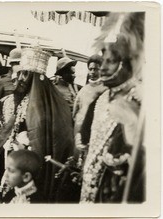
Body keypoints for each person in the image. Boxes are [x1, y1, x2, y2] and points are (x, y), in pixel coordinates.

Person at [0, 47, 75, 203]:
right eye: (20, 73)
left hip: (33, 169)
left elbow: (47, 141)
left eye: (25, 74)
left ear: (36, 78)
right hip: (17, 165)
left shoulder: (47, 105)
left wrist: (25, 147)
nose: (20, 78)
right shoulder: (22, 99)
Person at [80, 12, 145, 203]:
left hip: (117, 188)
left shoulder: (138, 100)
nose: (103, 68)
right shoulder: (100, 99)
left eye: (110, 62)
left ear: (124, 64)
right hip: (90, 182)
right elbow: (86, 139)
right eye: (103, 62)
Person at [72, 54, 107, 164]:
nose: (92, 72)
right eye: (90, 69)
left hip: (95, 132)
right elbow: (75, 112)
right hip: (79, 131)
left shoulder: (106, 89)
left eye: (96, 69)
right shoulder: (84, 90)